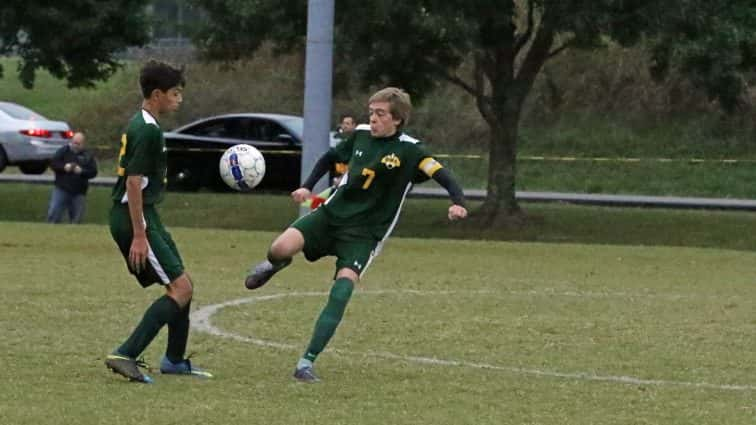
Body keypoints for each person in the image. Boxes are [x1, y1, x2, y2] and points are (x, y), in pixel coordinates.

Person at [245, 87, 468, 382]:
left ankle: (305, 363)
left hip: (365, 234)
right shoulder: (361, 135)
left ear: (397, 119)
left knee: (343, 289)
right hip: (331, 216)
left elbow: (443, 174)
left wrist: (458, 202)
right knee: (279, 248)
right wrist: (308, 186)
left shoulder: (412, 150)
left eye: (380, 114)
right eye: (371, 113)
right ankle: (276, 264)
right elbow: (329, 158)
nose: (373, 119)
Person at [105, 60, 211, 383]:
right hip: (134, 218)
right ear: (156, 94)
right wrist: (140, 234)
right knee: (179, 289)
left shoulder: (146, 123)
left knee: (185, 285)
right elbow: (134, 183)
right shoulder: (146, 129)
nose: (180, 100)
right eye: (175, 93)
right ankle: (125, 353)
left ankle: (174, 360)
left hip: (146, 215)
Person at [46, 132, 98, 224]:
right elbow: (53, 164)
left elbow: (93, 172)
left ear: (83, 144)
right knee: (54, 212)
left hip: (79, 191)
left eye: (78, 144)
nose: (75, 145)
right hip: (62, 188)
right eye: (74, 142)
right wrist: (64, 167)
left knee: (76, 218)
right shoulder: (63, 151)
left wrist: (81, 171)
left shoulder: (87, 155)